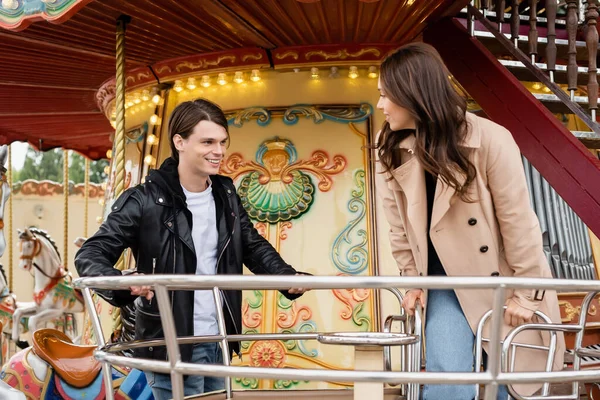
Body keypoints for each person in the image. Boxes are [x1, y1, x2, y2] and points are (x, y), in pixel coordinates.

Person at [75, 99, 309, 400]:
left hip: (218, 337)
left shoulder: (225, 195)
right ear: (180, 142)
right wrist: (123, 283)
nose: (219, 151)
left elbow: (250, 244)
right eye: (208, 142)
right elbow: (91, 254)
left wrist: (286, 277)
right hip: (172, 340)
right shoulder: (145, 199)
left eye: (222, 142)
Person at [374, 42, 565, 399]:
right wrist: (411, 279)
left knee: (505, 383)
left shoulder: (490, 139)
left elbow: (519, 222)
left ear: (412, 94)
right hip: (442, 280)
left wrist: (526, 294)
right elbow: (398, 227)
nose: (381, 105)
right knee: (449, 384)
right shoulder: (390, 148)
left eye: (386, 96)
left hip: (499, 278)